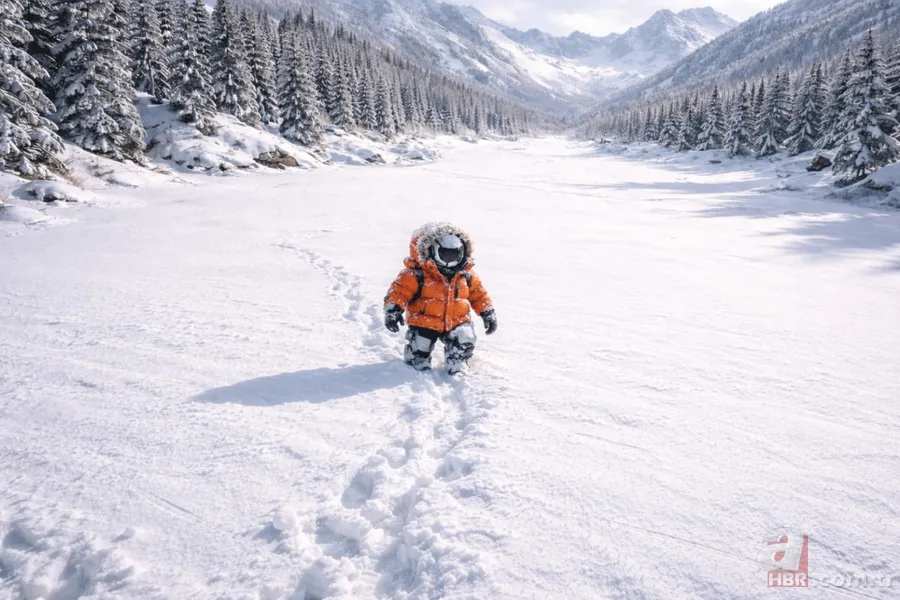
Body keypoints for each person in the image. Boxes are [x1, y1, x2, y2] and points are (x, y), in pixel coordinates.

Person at [383, 222, 497, 373]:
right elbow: (398, 292)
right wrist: (393, 310)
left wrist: (487, 312)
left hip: (458, 321)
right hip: (424, 321)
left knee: (464, 338)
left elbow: (479, 295)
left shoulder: (465, 275)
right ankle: (417, 357)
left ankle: (458, 360)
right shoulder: (416, 274)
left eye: (454, 255)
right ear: (431, 251)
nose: (450, 262)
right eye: (445, 255)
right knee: (421, 343)